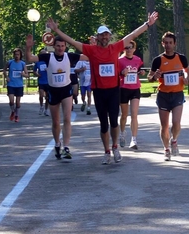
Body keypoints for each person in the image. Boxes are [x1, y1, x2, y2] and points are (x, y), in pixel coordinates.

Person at [46, 11, 159, 165]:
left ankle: (115, 147)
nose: (105, 37)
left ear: (109, 36)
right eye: (102, 35)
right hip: (99, 91)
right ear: (98, 37)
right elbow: (72, 42)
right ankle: (106, 151)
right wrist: (56, 30)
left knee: (114, 122)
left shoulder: (115, 48)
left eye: (107, 35)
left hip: (113, 91)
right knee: (103, 124)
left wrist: (148, 24)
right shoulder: (91, 50)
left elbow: (132, 35)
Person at [26, 36, 87, 160]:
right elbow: (30, 58)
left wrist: (89, 45)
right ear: (54, 46)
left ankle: (66, 146)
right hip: (53, 91)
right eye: (58, 46)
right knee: (55, 122)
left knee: (67, 119)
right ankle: (57, 144)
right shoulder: (47, 57)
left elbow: (88, 56)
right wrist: (28, 47)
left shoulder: (69, 56)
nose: (60, 48)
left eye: (63, 46)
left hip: (66, 90)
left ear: (65, 47)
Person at [147, 32, 189, 161]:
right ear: (162, 44)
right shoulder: (158, 60)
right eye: (165, 43)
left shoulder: (181, 58)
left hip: (177, 94)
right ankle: (166, 149)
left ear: (174, 44)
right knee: (164, 125)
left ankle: (174, 140)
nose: (168, 45)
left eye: (170, 43)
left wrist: (187, 77)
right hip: (163, 96)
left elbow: (187, 70)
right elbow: (149, 77)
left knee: (176, 123)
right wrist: (154, 77)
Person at [118, 40, 145, 150]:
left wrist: (141, 72)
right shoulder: (119, 61)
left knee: (134, 114)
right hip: (123, 89)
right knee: (124, 115)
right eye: (126, 48)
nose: (129, 50)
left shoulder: (137, 59)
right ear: (123, 49)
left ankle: (133, 139)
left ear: (134, 49)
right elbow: (116, 74)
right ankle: (122, 132)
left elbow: (139, 69)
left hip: (135, 89)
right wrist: (121, 73)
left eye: (131, 47)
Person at [3, 48, 29, 123]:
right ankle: (12, 111)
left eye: (18, 54)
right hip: (11, 84)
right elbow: (4, 70)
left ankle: (17, 115)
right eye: (15, 54)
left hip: (19, 85)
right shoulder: (10, 62)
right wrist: (6, 77)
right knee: (11, 101)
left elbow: (27, 75)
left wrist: (23, 74)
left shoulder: (22, 64)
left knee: (17, 102)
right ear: (13, 55)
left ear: (20, 55)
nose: (17, 56)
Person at [33, 49, 50, 116]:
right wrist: (37, 74)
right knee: (41, 95)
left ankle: (46, 110)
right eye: (42, 54)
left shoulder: (48, 62)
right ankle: (41, 106)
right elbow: (34, 71)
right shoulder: (38, 62)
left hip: (48, 81)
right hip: (41, 81)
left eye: (44, 54)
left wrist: (48, 70)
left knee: (48, 97)